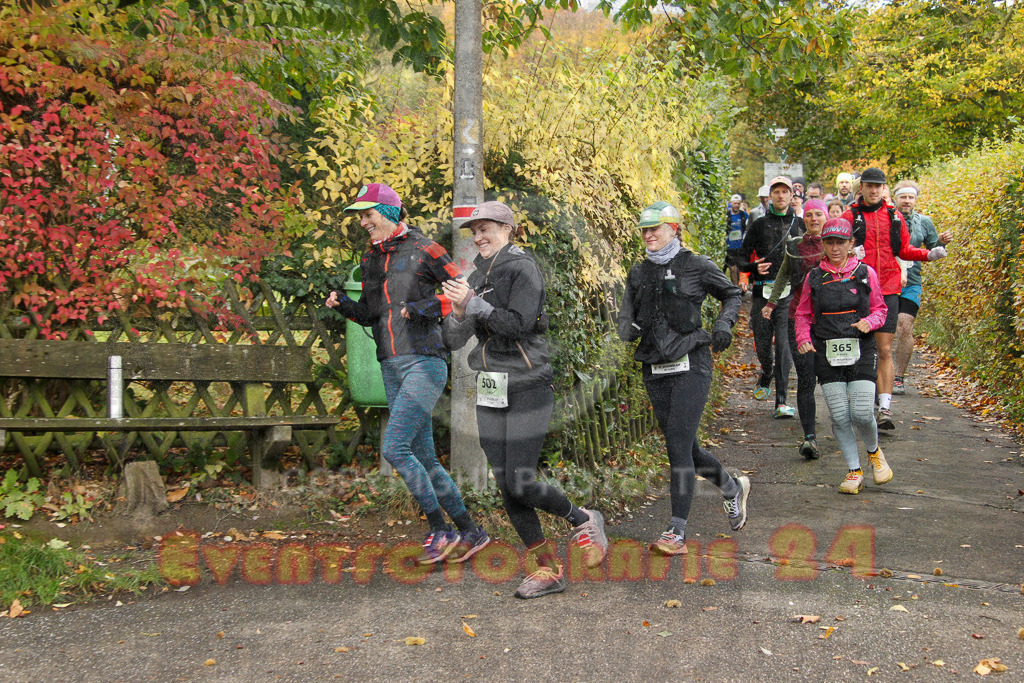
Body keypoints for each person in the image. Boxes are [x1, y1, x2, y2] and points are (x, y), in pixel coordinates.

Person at [442, 201, 608, 599]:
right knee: (506, 484)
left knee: (520, 478)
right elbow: (453, 340)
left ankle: (582, 517)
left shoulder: (523, 268)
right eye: (475, 230)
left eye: (487, 229)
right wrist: (456, 311)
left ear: (508, 229)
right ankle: (548, 570)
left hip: (529, 386)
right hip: (491, 387)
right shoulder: (476, 276)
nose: (479, 236)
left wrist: (475, 305)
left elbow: (518, 324)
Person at [326, 182, 489, 565]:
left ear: (389, 212)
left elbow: (460, 291)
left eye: (368, 214)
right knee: (424, 456)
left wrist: (421, 309)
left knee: (395, 448)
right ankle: (470, 531)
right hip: (391, 365)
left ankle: (440, 529)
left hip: (424, 362)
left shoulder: (426, 249)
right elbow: (370, 314)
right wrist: (343, 305)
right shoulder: (371, 260)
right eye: (361, 217)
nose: (364, 222)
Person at [617, 201, 750, 554]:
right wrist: (626, 327)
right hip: (654, 365)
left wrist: (723, 324)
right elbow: (627, 312)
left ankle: (676, 531)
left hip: (692, 362)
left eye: (654, 229)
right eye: (644, 230)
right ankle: (732, 486)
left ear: (673, 229)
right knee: (685, 445)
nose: (648, 236)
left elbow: (732, 293)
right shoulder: (639, 272)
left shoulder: (696, 265)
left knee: (677, 444)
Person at [841, 168, 946, 430]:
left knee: (885, 349)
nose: (874, 190)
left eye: (879, 186)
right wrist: (850, 253)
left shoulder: (894, 216)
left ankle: (885, 409)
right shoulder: (849, 216)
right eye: (869, 186)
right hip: (857, 288)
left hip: (887, 289)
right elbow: (832, 248)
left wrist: (928, 254)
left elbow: (905, 250)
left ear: (884, 189)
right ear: (862, 187)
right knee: (859, 350)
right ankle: (858, 402)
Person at [794, 218, 891, 494]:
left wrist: (869, 323)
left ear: (851, 244)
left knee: (861, 411)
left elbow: (881, 310)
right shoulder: (813, 277)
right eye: (829, 242)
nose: (835, 248)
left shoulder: (865, 272)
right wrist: (803, 339)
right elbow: (802, 314)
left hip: (861, 348)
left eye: (840, 242)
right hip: (827, 350)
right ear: (823, 245)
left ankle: (874, 453)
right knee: (839, 415)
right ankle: (854, 470)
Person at [762, 199, 828, 459]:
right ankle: (809, 436)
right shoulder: (795, 246)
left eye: (818, 215)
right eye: (809, 215)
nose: (813, 219)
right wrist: (771, 303)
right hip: (797, 316)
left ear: (825, 217)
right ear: (804, 219)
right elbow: (783, 276)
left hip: (829, 321)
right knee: (805, 377)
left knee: (834, 377)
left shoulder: (837, 245)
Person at [736, 176, 805, 417]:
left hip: (788, 294)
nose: (780, 196)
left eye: (785, 191)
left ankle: (781, 401)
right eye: (776, 191)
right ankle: (766, 372)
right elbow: (739, 257)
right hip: (762, 291)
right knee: (764, 344)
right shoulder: (758, 224)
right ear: (770, 196)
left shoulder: (800, 225)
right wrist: (754, 268)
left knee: (784, 347)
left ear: (791, 196)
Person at [891, 182, 953, 396]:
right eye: (903, 197)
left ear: (915, 200)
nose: (907, 201)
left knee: (905, 326)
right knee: (882, 330)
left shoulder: (924, 222)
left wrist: (942, 242)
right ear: (895, 199)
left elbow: (935, 248)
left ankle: (898, 377)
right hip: (885, 281)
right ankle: (877, 373)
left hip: (912, 282)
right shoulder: (887, 218)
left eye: (911, 198)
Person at [725, 193, 749, 288]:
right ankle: (734, 286)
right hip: (729, 246)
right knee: (732, 268)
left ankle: (741, 286)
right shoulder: (727, 216)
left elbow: (748, 227)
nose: (736, 206)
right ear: (731, 203)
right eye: (735, 203)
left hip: (741, 246)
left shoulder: (744, 215)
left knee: (741, 267)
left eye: (738, 203)